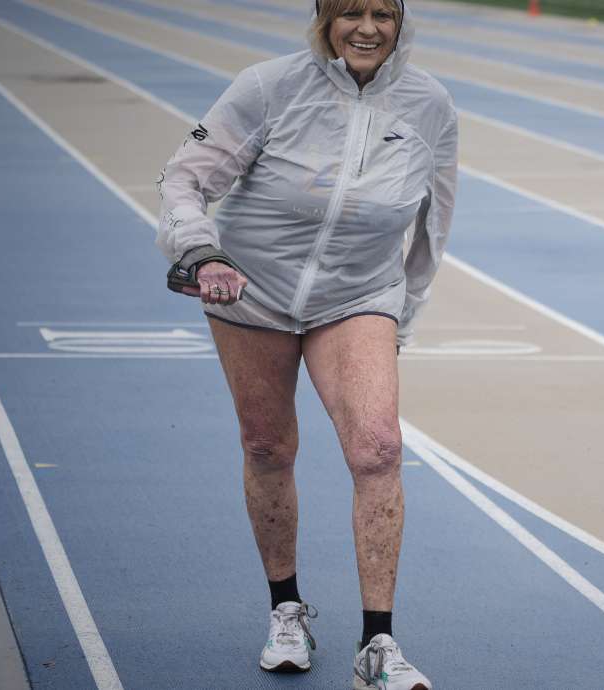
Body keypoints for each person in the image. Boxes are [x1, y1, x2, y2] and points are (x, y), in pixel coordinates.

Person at [155, 0, 456, 686]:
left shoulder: (430, 105)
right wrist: (203, 254)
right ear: (325, 16)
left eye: (385, 11)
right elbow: (185, 178)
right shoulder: (269, 86)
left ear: (402, 19)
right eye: (352, 11)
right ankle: (286, 609)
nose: (369, 28)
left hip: (358, 297)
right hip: (249, 289)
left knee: (378, 447)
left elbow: (433, 226)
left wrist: (397, 321)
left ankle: (377, 645)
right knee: (268, 446)